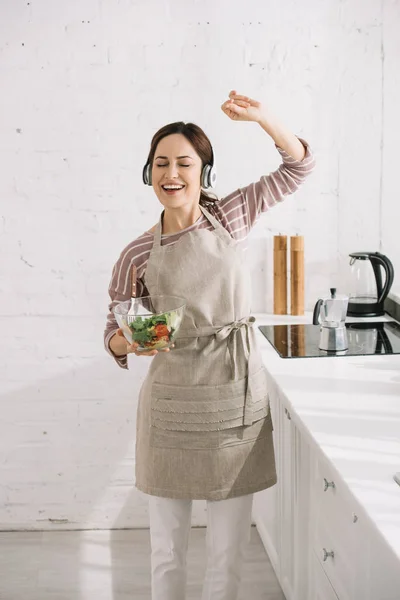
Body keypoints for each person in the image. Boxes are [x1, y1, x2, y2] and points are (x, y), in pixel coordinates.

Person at [104, 90, 315, 600]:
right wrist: (131, 342)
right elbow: (113, 331)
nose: (171, 174)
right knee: (167, 547)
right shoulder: (135, 253)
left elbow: (298, 168)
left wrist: (264, 117)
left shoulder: (232, 216)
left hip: (234, 388)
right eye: (161, 163)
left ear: (203, 172)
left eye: (183, 163)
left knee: (227, 548)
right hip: (172, 398)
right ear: (149, 173)